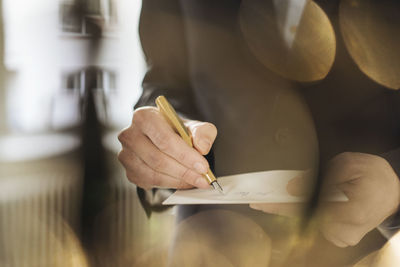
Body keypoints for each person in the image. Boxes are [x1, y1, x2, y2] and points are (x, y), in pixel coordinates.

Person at [118, 0, 400, 252]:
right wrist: (158, 144)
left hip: (363, 254)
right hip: (209, 249)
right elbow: (164, 83)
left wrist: (396, 182)